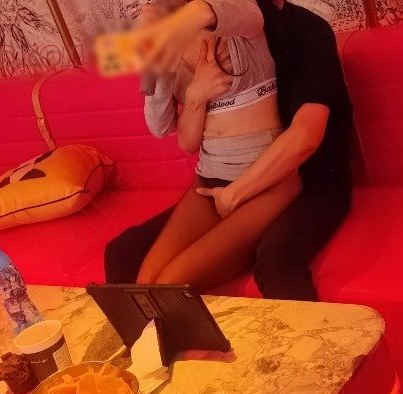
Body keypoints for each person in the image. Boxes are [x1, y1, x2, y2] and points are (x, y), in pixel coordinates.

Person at [105, 0, 352, 300]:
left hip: (309, 180)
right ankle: (146, 332)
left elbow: (305, 136)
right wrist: (172, 74)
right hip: (219, 178)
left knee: (276, 260)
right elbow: (176, 134)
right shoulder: (211, 33)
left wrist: (236, 194)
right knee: (125, 254)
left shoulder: (300, 29)